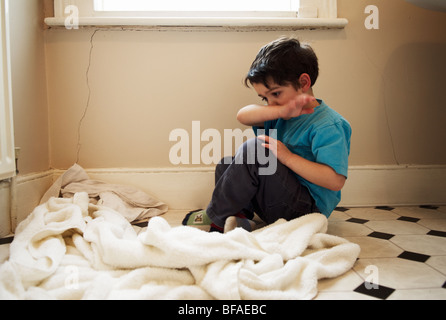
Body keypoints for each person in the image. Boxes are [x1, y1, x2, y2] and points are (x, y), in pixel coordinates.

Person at [183, 37, 352, 233]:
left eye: (276, 94)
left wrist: (288, 157)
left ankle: (215, 218)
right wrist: (281, 111)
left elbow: (335, 180)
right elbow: (243, 115)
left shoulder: (328, 125)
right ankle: (238, 218)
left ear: (303, 82)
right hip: (277, 200)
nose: (270, 103)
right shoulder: (279, 112)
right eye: (265, 98)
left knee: (254, 149)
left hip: (306, 209)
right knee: (227, 164)